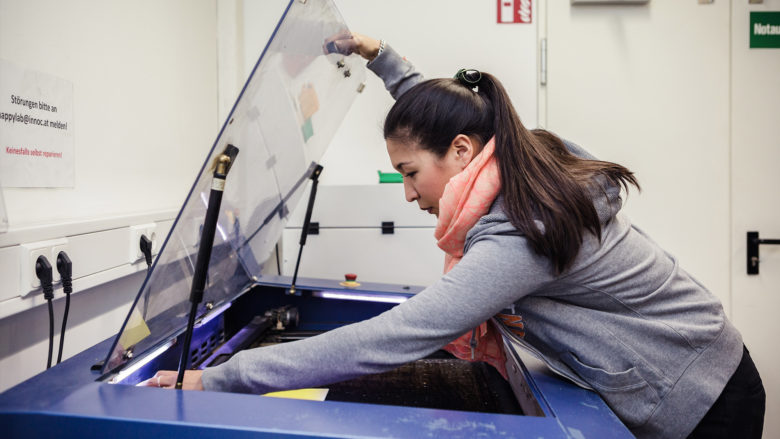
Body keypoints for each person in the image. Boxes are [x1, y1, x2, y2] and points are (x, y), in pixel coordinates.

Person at [148, 34, 765, 438]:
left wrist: (221, 376)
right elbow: (441, 113)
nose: (409, 194)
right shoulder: (512, 158)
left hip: (701, 398)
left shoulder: (523, 227)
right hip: (680, 365)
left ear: (463, 153)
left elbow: (399, 335)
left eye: (410, 174)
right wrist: (382, 56)